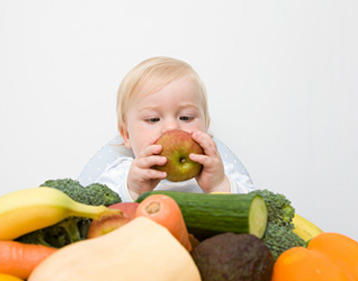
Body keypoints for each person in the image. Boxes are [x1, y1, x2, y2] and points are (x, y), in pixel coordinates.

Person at [79, 56, 254, 202]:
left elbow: (257, 211)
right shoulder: (121, 174)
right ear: (126, 134)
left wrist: (219, 185)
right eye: (153, 119)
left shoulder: (220, 170)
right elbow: (96, 216)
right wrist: (132, 191)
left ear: (206, 128)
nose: (171, 128)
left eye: (186, 117)